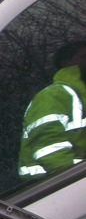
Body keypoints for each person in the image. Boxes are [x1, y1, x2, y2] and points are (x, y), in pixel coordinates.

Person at [19, 41, 86, 179]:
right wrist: (78, 182)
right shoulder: (53, 96)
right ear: (66, 63)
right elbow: (50, 150)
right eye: (84, 56)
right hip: (53, 192)